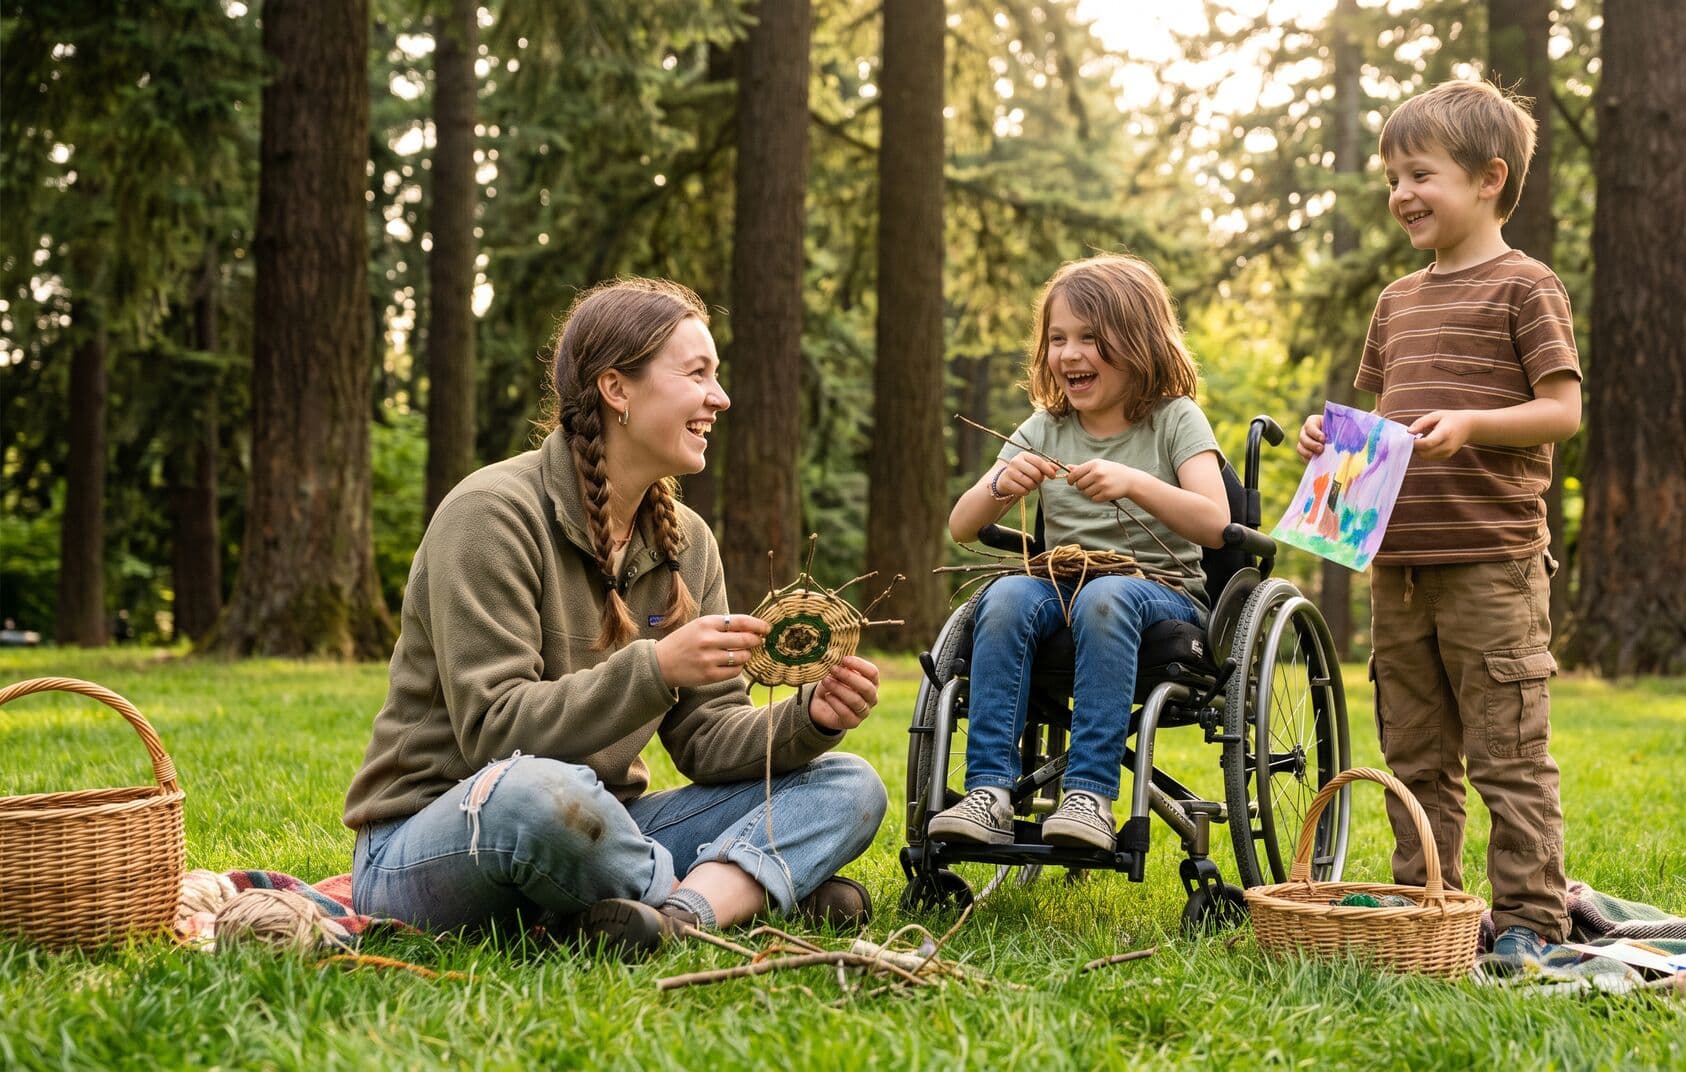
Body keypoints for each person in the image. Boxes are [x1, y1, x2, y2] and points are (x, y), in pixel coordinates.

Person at [343, 278, 888, 958]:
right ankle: (732, 895)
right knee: (537, 792)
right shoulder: (489, 515)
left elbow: (708, 738)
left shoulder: (687, 542)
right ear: (617, 390)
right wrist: (657, 667)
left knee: (848, 785)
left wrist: (810, 720)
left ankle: (680, 915)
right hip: (439, 838)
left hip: (604, 828)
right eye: (698, 375)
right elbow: (494, 731)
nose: (720, 398)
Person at [1294, 79, 1583, 973]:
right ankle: (1429, 903)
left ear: (1490, 178)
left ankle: (1531, 916)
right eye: (1392, 176)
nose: (1401, 193)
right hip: (1398, 566)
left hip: (1491, 566)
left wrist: (1474, 426)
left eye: (1421, 173)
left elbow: (1562, 411)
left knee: (1508, 752)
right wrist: (1327, 437)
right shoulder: (1396, 301)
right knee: (1414, 752)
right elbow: (1385, 424)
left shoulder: (1526, 287)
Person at [928, 254, 1231, 853]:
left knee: (1106, 595)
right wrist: (1000, 484)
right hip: (1059, 588)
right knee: (1008, 592)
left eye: (1091, 338)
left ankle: (1089, 795)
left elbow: (1216, 523)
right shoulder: (1045, 427)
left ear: (1139, 341)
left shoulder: (1175, 421)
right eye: (1057, 339)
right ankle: (989, 791)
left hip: (1160, 593)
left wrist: (1135, 483)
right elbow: (962, 526)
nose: (1069, 354)